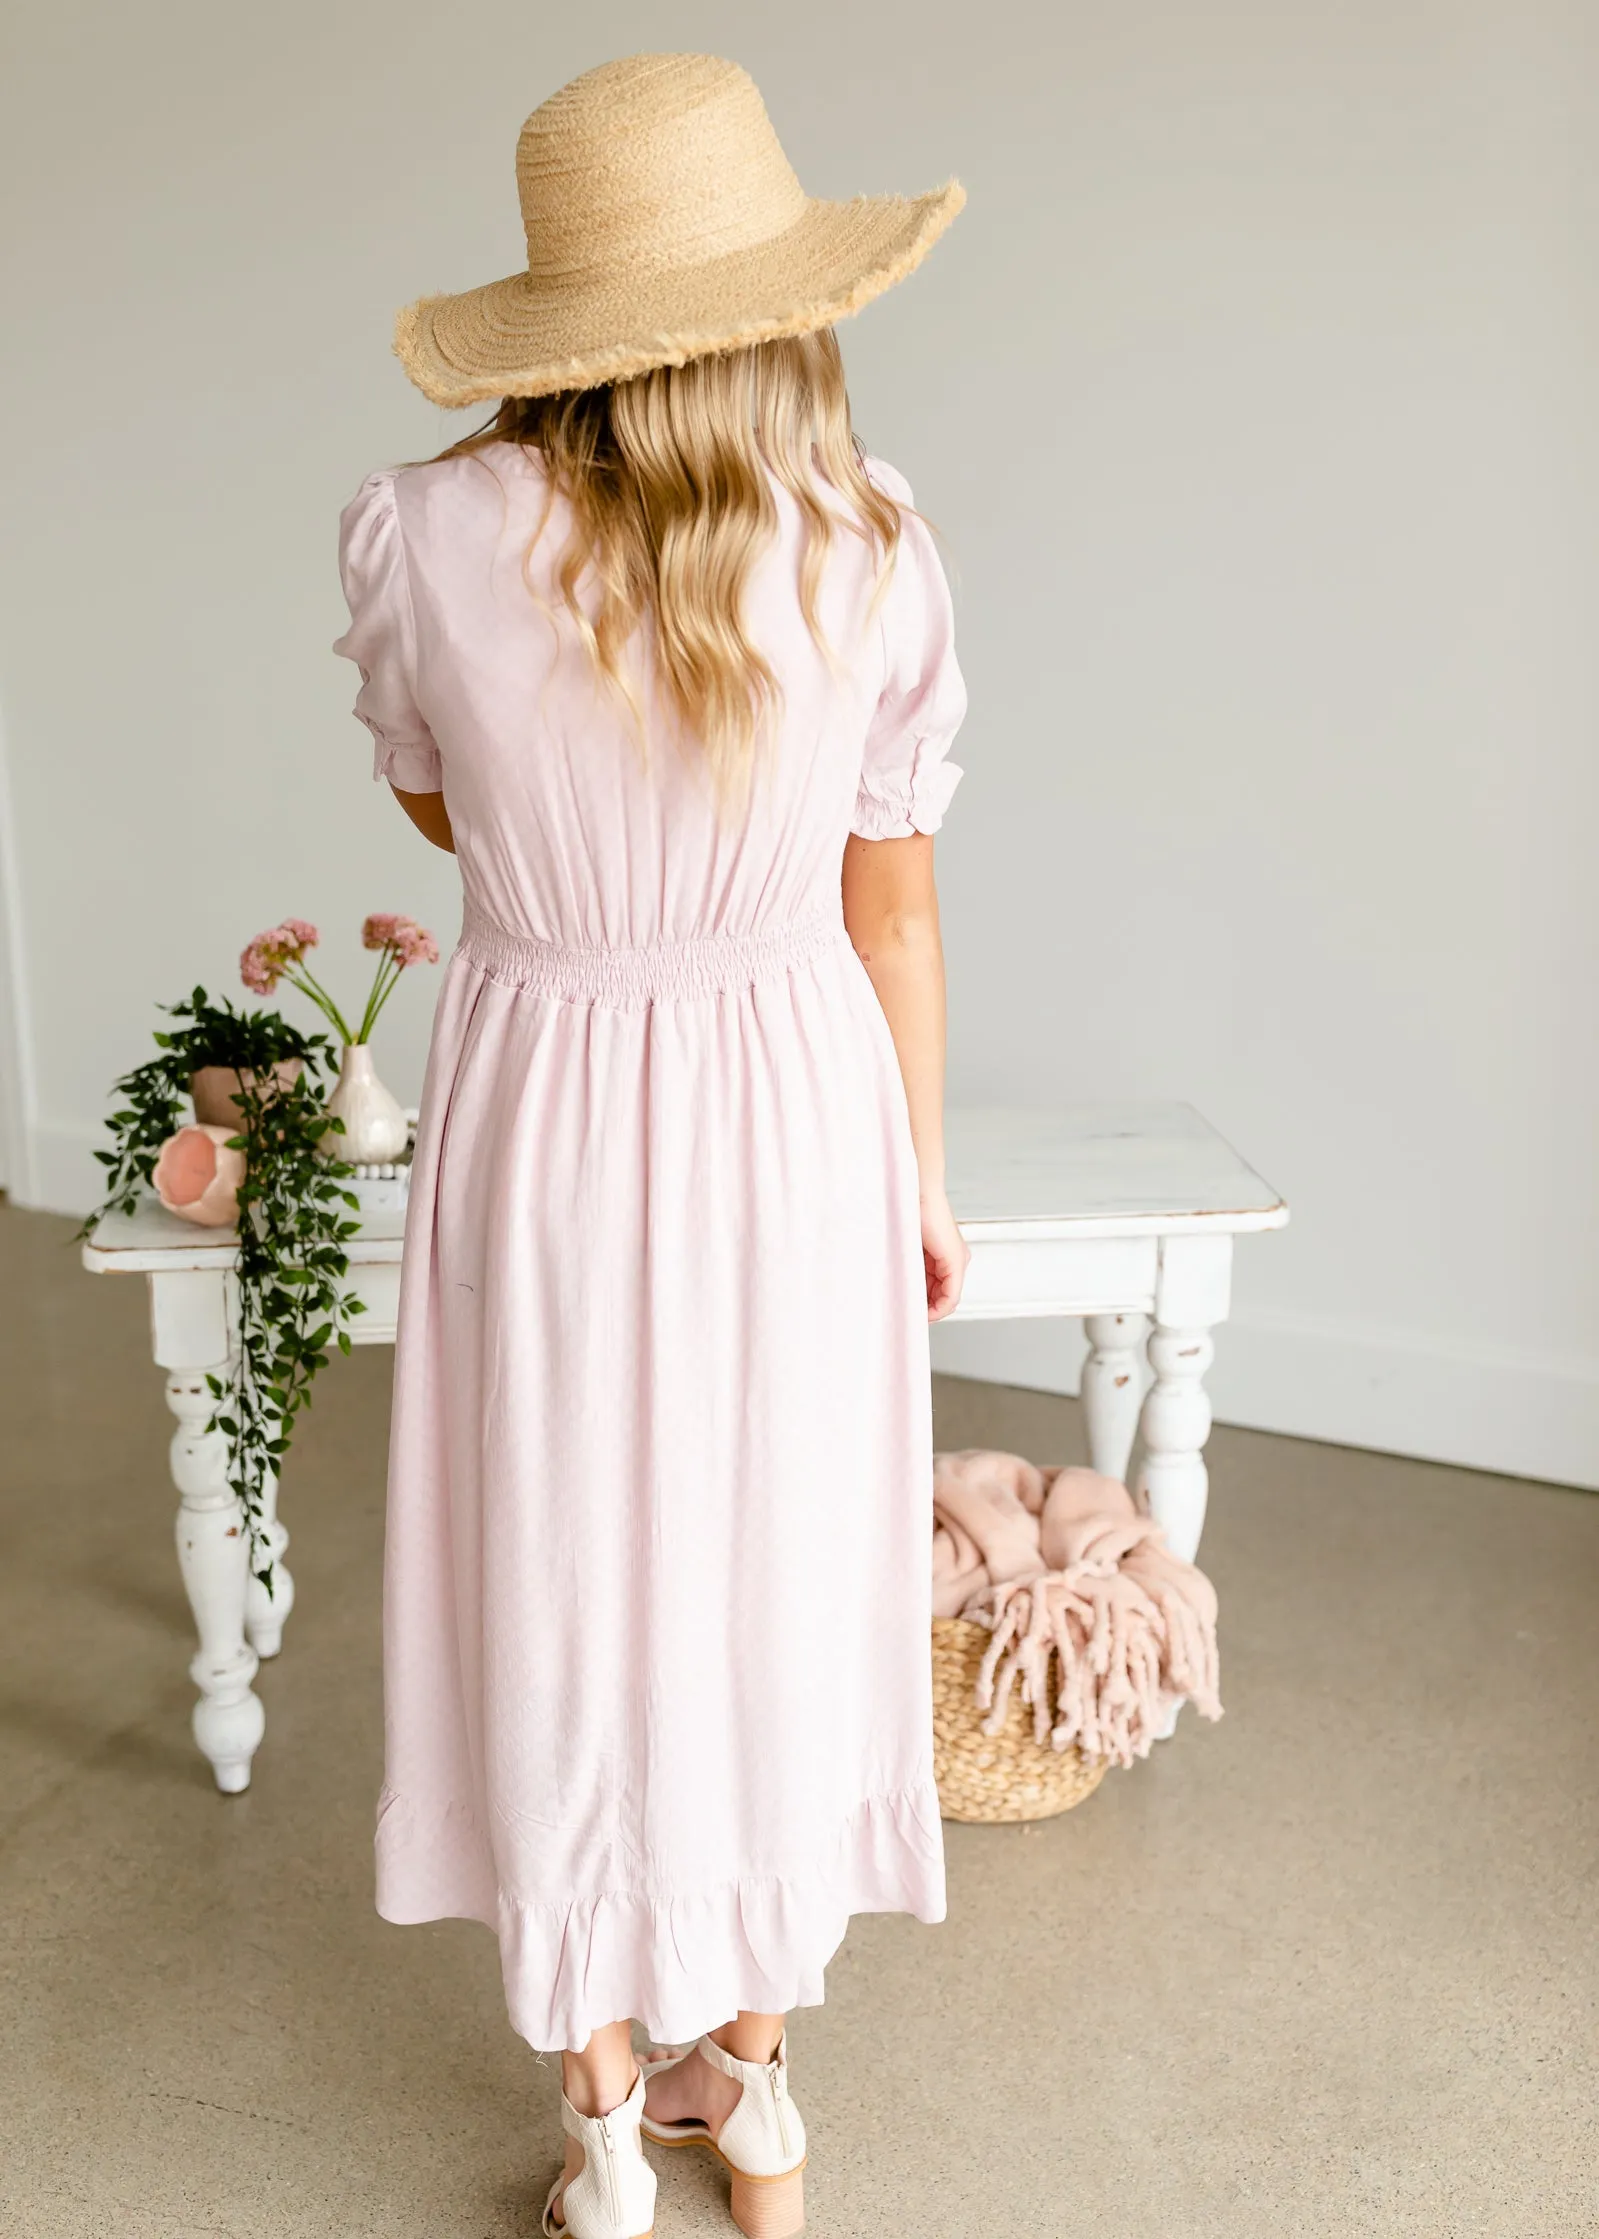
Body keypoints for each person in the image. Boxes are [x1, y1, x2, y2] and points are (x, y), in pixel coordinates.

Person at [334, 53, 968, 2239]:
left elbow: (445, 809)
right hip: (793, 1089)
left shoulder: (418, 533)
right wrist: (924, 1178)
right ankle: (759, 2096)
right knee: (778, 1559)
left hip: (545, 1091)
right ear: (783, 303)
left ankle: (604, 2127)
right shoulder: (872, 545)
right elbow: (890, 901)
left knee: (559, 1570)